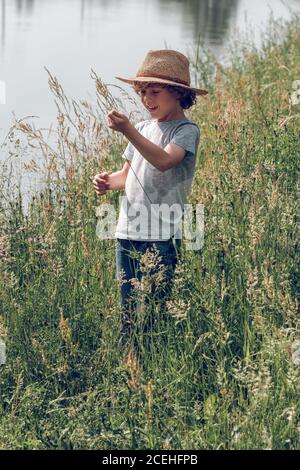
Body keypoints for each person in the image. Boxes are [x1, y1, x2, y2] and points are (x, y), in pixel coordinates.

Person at [93, 49, 207, 352]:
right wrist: (107, 182)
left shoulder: (185, 130)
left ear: (179, 93)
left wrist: (127, 130)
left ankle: (155, 364)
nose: (147, 99)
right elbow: (125, 177)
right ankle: (129, 366)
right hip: (128, 231)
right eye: (142, 92)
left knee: (157, 309)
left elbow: (165, 162)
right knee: (128, 310)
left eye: (154, 92)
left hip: (162, 233)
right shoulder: (143, 129)